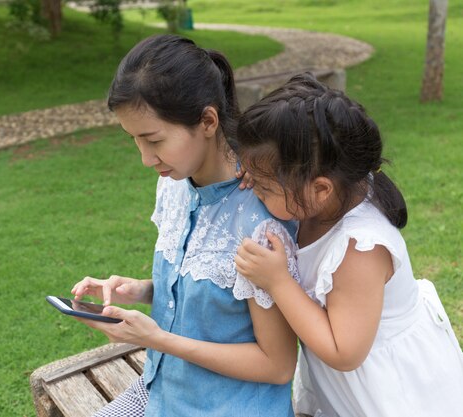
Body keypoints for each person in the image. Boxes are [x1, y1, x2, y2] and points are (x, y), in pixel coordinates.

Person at [71, 34, 300, 417]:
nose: (146, 159)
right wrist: (138, 290)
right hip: (162, 392)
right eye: (134, 141)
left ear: (208, 121)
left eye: (153, 140)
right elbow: (211, 296)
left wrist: (159, 339)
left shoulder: (259, 222)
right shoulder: (175, 184)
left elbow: (277, 366)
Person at [234, 72, 463, 417]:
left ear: (320, 189)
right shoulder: (328, 190)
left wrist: (278, 282)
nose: (255, 190)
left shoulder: (360, 250)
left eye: (265, 188)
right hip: (352, 383)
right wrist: (261, 169)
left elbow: (344, 352)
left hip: (390, 394)